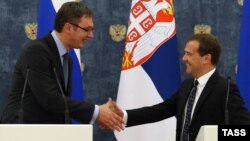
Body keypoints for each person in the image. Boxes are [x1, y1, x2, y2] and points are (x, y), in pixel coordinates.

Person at [0, 2, 123, 131]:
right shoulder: (36, 51)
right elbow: (49, 99)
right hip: (22, 133)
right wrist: (97, 112)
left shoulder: (67, 59)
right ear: (69, 28)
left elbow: (61, 107)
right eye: (87, 29)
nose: (91, 35)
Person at [109, 33, 250, 140]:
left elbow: (244, 130)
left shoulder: (225, 89)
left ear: (206, 58)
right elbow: (160, 110)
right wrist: (125, 115)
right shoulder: (187, 86)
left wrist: (213, 134)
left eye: (189, 54)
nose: (184, 58)